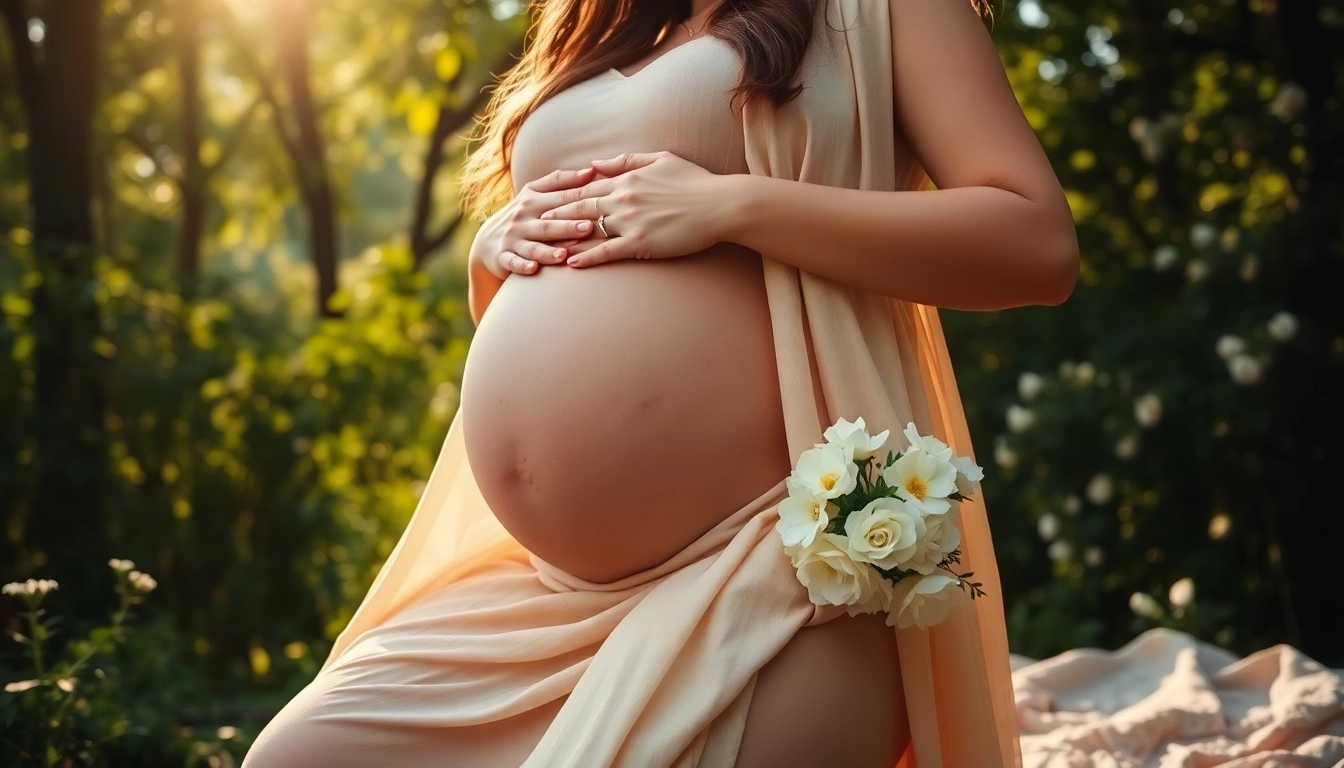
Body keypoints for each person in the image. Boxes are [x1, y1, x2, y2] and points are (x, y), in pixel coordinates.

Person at [243, 0, 1077, 765]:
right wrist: (491, 256)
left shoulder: (879, 10)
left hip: (777, 563)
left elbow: (1034, 244)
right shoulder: (600, 20)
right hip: (551, 595)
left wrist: (732, 205)